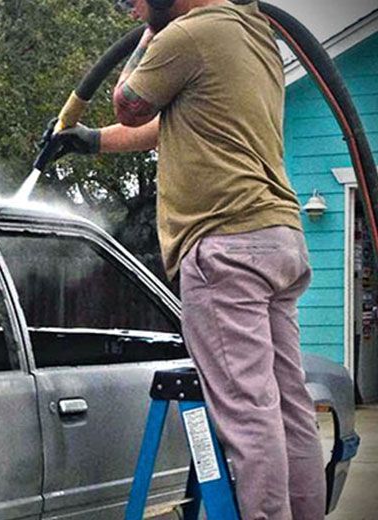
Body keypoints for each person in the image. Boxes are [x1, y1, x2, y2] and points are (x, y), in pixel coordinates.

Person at [49, 0, 326, 518]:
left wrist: (152, 35)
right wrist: (89, 142)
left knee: (249, 414)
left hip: (225, 245)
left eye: (135, 1)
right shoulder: (251, 32)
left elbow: (129, 104)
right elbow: (168, 125)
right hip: (276, 238)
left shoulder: (187, 34)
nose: (133, 13)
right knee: (288, 407)